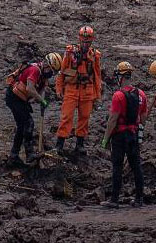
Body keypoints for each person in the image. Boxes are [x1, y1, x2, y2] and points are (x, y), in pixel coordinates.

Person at [100, 62, 147, 208]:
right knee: (136, 166)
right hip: (133, 134)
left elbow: (112, 120)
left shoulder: (118, 96)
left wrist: (105, 139)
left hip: (120, 136)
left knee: (117, 167)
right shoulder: (141, 94)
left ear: (120, 77)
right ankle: (139, 198)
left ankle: (114, 199)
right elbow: (143, 118)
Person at [5, 52, 62, 166]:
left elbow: (42, 90)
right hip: (14, 97)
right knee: (28, 124)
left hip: (20, 99)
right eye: (51, 70)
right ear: (46, 65)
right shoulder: (35, 70)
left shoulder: (43, 76)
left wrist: (42, 101)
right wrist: (41, 100)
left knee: (22, 127)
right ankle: (29, 154)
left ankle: (14, 155)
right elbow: (30, 88)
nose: (51, 74)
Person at [55, 26, 102, 157]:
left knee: (84, 119)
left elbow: (97, 76)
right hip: (71, 89)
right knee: (66, 117)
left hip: (87, 91)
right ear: (80, 39)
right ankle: (59, 144)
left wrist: (97, 95)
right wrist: (59, 88)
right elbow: (62, 71)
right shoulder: (70, 52)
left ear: (92, 41)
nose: (85, 44)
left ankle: (79, 145)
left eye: (88, 41)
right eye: (83, 41)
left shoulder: (95, 55)